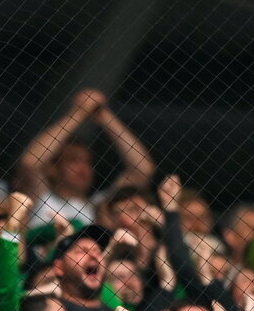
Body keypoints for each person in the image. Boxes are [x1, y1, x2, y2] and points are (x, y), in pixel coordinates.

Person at [17, 89, 155, 227]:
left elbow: (143, 171)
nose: (83, 168)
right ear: (52, 168)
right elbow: (30, 162)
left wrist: (105, 117)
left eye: (88, 162)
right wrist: (78, 114)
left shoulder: (99, 208)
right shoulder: (41, 198)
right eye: (73, 160)